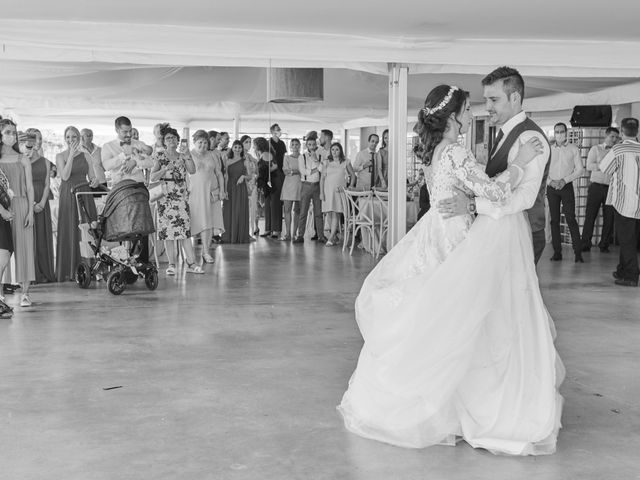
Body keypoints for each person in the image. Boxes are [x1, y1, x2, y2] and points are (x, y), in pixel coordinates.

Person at [339, 82, 564, 456]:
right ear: (454, 115)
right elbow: (494, 191)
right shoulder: (456, 152)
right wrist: (521, 163)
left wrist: (469, 203)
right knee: (462, 318)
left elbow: (460, 195)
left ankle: (449, 407)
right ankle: (461, 407)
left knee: (443, 320)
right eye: (468, 107)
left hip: (435, 231)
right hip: (455, 238)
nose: (475, 111)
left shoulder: (435, 152)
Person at [438, 67, 551, 266]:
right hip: (497, 233)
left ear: (515, 98)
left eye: (494, 100)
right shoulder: (504, 132)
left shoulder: (529, 138)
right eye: (486, 99)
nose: (487, 106)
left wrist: (473, 205)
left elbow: (525, 197)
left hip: (521, 235)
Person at [150, 125, 203, 275]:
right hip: (165, 196)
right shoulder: (160, 156)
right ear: (164, 142)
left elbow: (192, 171)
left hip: (181, 195)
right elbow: (152, 177)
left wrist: (187, 156)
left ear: (178, 140)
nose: (171, 140)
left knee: (184, 231)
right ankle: (171, 264)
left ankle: (191, 263)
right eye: (168, 138)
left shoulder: (183, 155)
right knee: (168, 233)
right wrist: (166, 169)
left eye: (174, 137)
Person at [102, 116, 153, 263]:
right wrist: (123, 155)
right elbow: (107, 166)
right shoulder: (108, 146)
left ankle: (142, 262)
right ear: (117, 130)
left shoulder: (138, 144)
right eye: (125, 132)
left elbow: (150, 162)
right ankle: (122, 262)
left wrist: (135, 161)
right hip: (120, 191)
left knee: (142, 226)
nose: (129, 135)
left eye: (130, 131)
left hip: (138, 189)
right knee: (122, 227)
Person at [600, 118, 640, 287]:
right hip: (638, 203)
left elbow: (604, 168)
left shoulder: (618, 149)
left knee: (626, 241)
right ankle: (622, 270)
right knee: (631, 239)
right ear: (637, 131)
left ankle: (631, 276)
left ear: (622, 132)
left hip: (624, 202)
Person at [0, 120, 36, 306]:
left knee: (24, 249)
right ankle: (0, 293)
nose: (12, 136)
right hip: (1, 209)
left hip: (21, 205)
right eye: (8, 132)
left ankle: (25, 293)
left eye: (14, 132)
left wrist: (30, 211)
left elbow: (30, 188)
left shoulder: (23, 159)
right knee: (2, 253)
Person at [55, 126, 97, 283]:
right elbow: (64, 176)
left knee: (87, 229)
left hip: (85, 193)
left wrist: (95, 180)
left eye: (74, 137)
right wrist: (71, 156)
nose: (71, 140)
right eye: (68, 137)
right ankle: (71, 269)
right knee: (70, 227)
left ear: (79, 138)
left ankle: (89, 266)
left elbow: (93, 177)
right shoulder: (60, 156)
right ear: (64, 139)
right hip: (69, 193)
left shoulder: (87, 156)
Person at [546, 122, 584, 262]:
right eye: (557, 132)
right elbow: (542, 171)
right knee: (554, 220)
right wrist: (551, 182)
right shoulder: (548, 150)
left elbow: (580, 170)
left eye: (562, 131)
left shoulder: (573, 149)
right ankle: (557, 253)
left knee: (570, 219)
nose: (559, 134)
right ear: (554, 133)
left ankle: (578, 253)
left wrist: (564, 180)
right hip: (552, 187)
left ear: (566, 133)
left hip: (566, 187)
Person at [581, 127, 620, 253]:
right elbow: (589, 165)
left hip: (611, 188)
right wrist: (604, 165)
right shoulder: (595, 149)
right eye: (612, 136)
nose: (614, 139)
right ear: (606, 135)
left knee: (609, 218)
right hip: (596, 187)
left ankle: (604, 245)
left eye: (616, 137)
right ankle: (586, 243)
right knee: (590, 216)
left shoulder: (617, 152)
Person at [189, 130, 225, 263]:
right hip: (195, 193)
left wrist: (222, 190)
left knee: (209, 222)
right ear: (195, 142)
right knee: (195, 220)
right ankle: (189, 253)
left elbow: (219, 173)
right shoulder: (188, 154)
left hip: (211, 192)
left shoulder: (213, 155)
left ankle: (206, 251)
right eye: (200, 142)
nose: (203, 145)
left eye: (205, 142)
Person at [26, 128, 55, 283]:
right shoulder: (22, 160)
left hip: (42, 203)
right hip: (27, 201)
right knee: (29, 238)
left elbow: (46, 184)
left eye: (40, 139)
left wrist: (42, 203)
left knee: (42, 237)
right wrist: (32, 204)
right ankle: (30, 274)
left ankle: (45, 271)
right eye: (34, 139)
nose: (38, 142)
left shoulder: (45, 161)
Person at [321, 142, 354, 246]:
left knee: (336, 213)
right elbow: (322, 179)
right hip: (327, 191)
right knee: (329, 213)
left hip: (339, 191)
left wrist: (349, 187)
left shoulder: (345, 162)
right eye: (333, 150)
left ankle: (330, 238)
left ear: (340, 151)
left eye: (337, 149)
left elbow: (353, 175)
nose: (334, 152)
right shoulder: (326, 162)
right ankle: (334, 236)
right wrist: (321, 193)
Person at [294, 138, 325, 243]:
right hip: (306, 186)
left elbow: (323, 169)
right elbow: (303, 171)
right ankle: (300, 236)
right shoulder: (302, 157)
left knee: (318, 213)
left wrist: (316, 159)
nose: (312, 146)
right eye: (309, 144)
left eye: (313, 144)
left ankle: (321, 236)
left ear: (316, 145)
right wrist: (316, 169)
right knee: (303, 212)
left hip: (317, 186)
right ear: (307, 145)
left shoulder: (320, 156)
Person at [221, 140, 251, 244]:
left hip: (240, 189)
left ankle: (240, 236)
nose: (237, 149)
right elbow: (226, 177)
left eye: (239, 147)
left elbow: (250, 176)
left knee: (239, 211)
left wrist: (243, 176)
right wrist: (224, 190)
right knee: (228, 211)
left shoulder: (245, 161)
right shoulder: (227, 160)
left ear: (242, 149)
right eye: (235, 147)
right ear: (232, 148)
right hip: (230, 188)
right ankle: (227, 237)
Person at [280, 138, 302, 241]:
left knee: (297, 211)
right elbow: (285, 171)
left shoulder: (303, 157)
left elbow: (304, 171)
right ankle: (288, 233)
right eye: (292, 144)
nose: (294, 146)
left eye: (296, 144)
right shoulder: (286, 157)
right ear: (290, 146)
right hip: (288, 185)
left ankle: (295, 233)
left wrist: (293, 171)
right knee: (287, 210)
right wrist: (298, 171)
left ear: (300, 146)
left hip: (300, 185)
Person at [268, 124, 287, 239]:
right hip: (270, 174)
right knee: (271, 202)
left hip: (280, 173)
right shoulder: (268, 143)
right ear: (271, 131)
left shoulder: (282, 143)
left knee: (277, 201)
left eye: (279, 130)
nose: (278, 132)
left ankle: (277, 229)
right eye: (276, 130)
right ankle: (270, 228)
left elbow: (283, 158)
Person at [242, 135, 260, 237]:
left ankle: (253, 228)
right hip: (243, 184)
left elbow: (257, 170)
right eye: (246, 142)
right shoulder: (239, 156)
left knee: (253, 208)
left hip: (253, 184)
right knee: (244, 208)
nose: (248, 144)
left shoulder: (250, 157)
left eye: (250, 142)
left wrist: (255, 177)